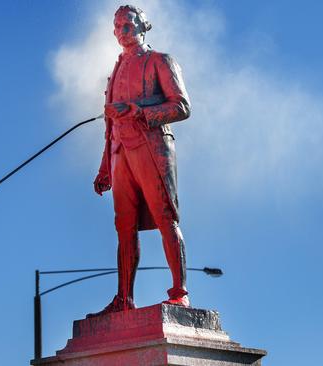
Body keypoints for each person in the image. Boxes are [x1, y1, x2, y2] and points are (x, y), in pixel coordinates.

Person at [91, 4, 191, 316]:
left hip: (152, 145)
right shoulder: (115, 72)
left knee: (165, 216)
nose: (122, 31)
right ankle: (124, 298)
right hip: (121, 154)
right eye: (117, 25)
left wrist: (140, 112)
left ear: (142, 26)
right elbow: (109, 128)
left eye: (127, 25)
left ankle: (179, 292)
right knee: (124, 227)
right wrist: (104, 167)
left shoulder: (160, 61)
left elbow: (181, 106)